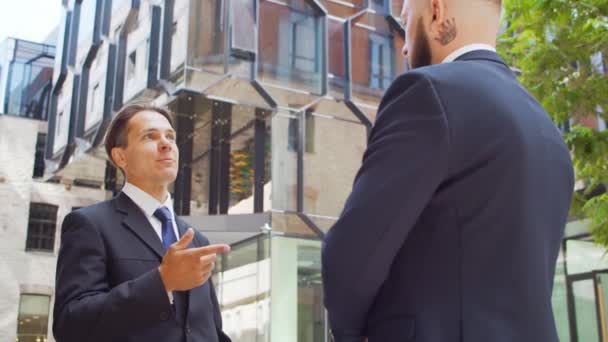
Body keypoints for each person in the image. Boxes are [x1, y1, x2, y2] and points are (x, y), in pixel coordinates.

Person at [321, 0, 574, 341]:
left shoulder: (428, 93)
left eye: (406, 21)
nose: (406, 45)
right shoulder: (549, 131)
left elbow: (352, 254)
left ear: (436, 10)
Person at [53, 104, 232, 342]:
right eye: (150, 136)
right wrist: (162, 281)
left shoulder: (196, 240)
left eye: (170, 136)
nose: (166, 144)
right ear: (120, 156)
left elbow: (211, 331)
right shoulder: (89, 224)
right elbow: (70, 324)